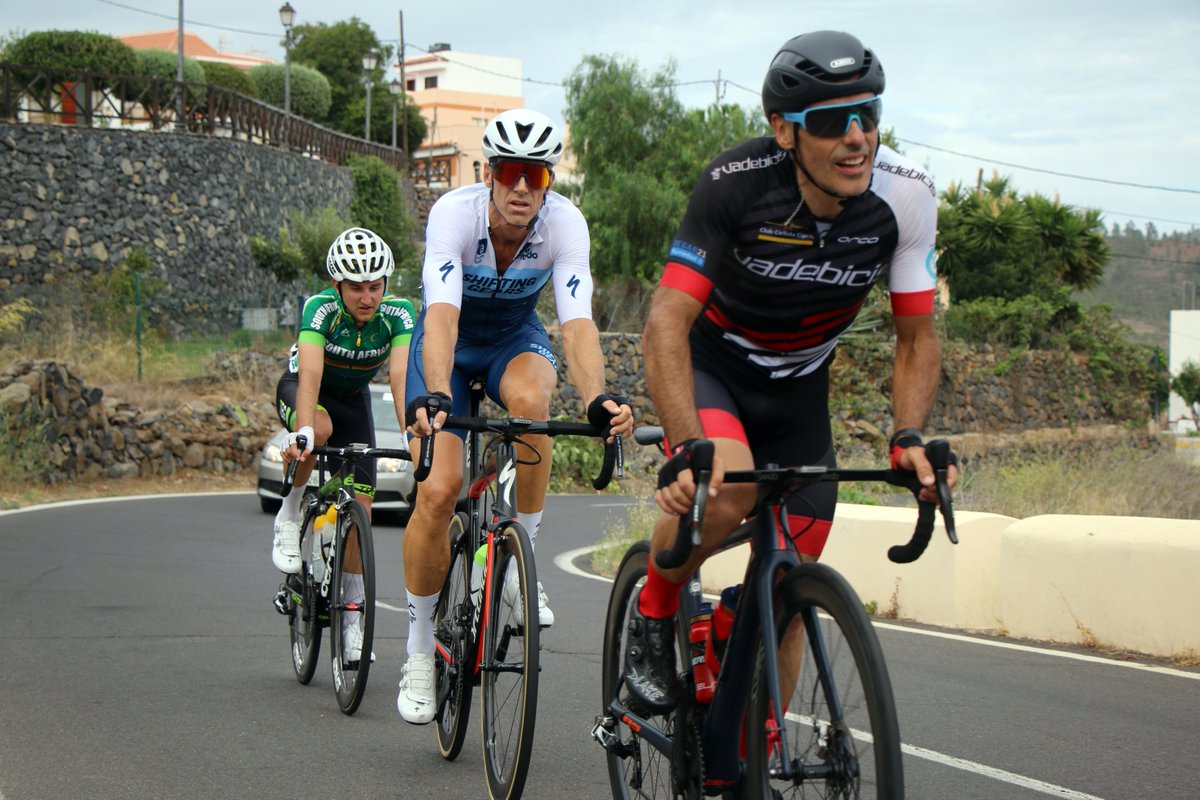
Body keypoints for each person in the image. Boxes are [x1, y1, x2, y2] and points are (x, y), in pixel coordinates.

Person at [624, 30, 959, 714]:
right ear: (783, 129)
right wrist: (688, 448)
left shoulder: (907, 197)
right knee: (725, 493)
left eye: (869, 115)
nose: (857, 137)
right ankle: (653, 611)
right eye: (832, 121)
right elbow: (665, 321)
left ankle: (760, 751)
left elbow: (916, 337)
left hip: (800, 391)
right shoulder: (733, 186)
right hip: (717, 367)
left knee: (787, 592)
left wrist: (910, 435)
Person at [398, 108, 634, 724]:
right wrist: (437, 400)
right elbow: (442, 316)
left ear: (549, 180)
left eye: (537, 175)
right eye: (509, 173)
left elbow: (576, 321)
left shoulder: (564, 225)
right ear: (488, 173)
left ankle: (519, 562)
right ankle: (420, 647)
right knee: (440, 489)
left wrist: (596, 397)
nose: (523, 188)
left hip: (510, 339)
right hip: (448, 345)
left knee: (533, 403)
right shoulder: (453, 213)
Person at [271, 226, 416, 664]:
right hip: (306, 392)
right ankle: (291, 510)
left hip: (354, 403)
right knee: (320, 430)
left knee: (362, 511)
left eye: (375, 286)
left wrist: (412, 435)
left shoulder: (400, 314)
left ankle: (351, 624)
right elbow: (311, 373)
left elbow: (400, 379)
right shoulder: (320, 310)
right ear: (337, 285)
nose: (367, 297)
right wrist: (303, 432)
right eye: (356, 287)